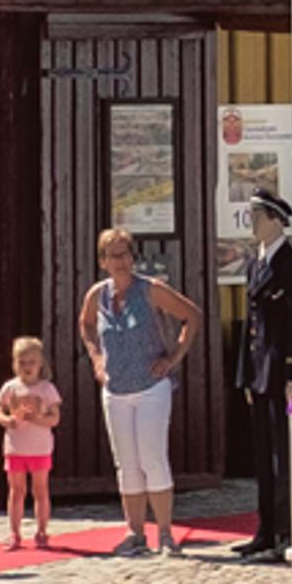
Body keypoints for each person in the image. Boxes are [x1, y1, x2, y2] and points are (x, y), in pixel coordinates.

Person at [78, 227, 204, 558]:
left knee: (152, 457)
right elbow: (86, 324)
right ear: (103, 261)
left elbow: (192, 316)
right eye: (113, 256)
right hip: (116, 389)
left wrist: (173, 358)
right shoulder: (97, 296)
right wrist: (96, 358)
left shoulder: (150, 290)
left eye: (125, 254)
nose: (120, 261)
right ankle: (134, 532)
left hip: (151, 387)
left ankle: (165, 533)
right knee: (127, 463)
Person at [232, 187, 292, 561]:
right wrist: (245, 375)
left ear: (276, 220)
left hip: (283, 373)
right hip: (259, 373)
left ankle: (286, 530)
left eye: (257, 216)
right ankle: (265, 530)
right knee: (263, 458)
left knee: (285, 457)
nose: (252, 223)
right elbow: (251, 325)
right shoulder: (256, 264)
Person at [0, 334, 62, 550]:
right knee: (16, 491)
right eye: (22, 362)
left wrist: (36, 419)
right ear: (15, 363)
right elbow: (0, 413)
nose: (27, 367)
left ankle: (42, 531)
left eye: (31, 362)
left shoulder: (47, 389)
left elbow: (55, 418)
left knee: (40, 490)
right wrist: (9, 420)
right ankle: (14, 533)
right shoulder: (10, 388)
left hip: (39, 448)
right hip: (15, 448)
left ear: (40, 363)